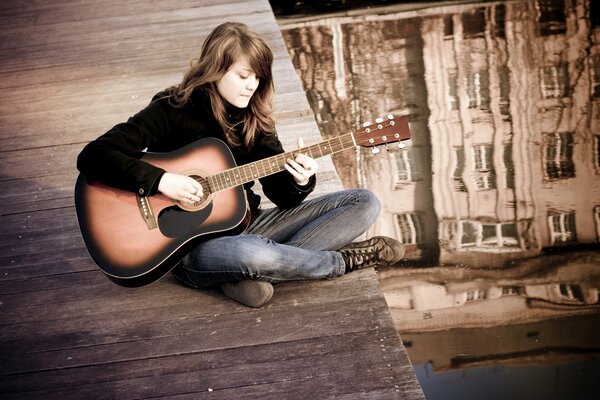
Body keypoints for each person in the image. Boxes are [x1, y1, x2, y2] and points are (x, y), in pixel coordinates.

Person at [77, 22, 405, 308]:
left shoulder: (254, 121)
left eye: (259, 78)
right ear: (216, 69)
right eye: (244, 76)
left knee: (364, 203)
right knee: (251, 254)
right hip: (187, 248)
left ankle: (251, 275)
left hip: (249, 225)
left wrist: (301, 180)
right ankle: (337, 262)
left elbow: (284, 198)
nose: (253, 86)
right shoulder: (173, 107)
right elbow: (94, 155)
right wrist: (163, 181)